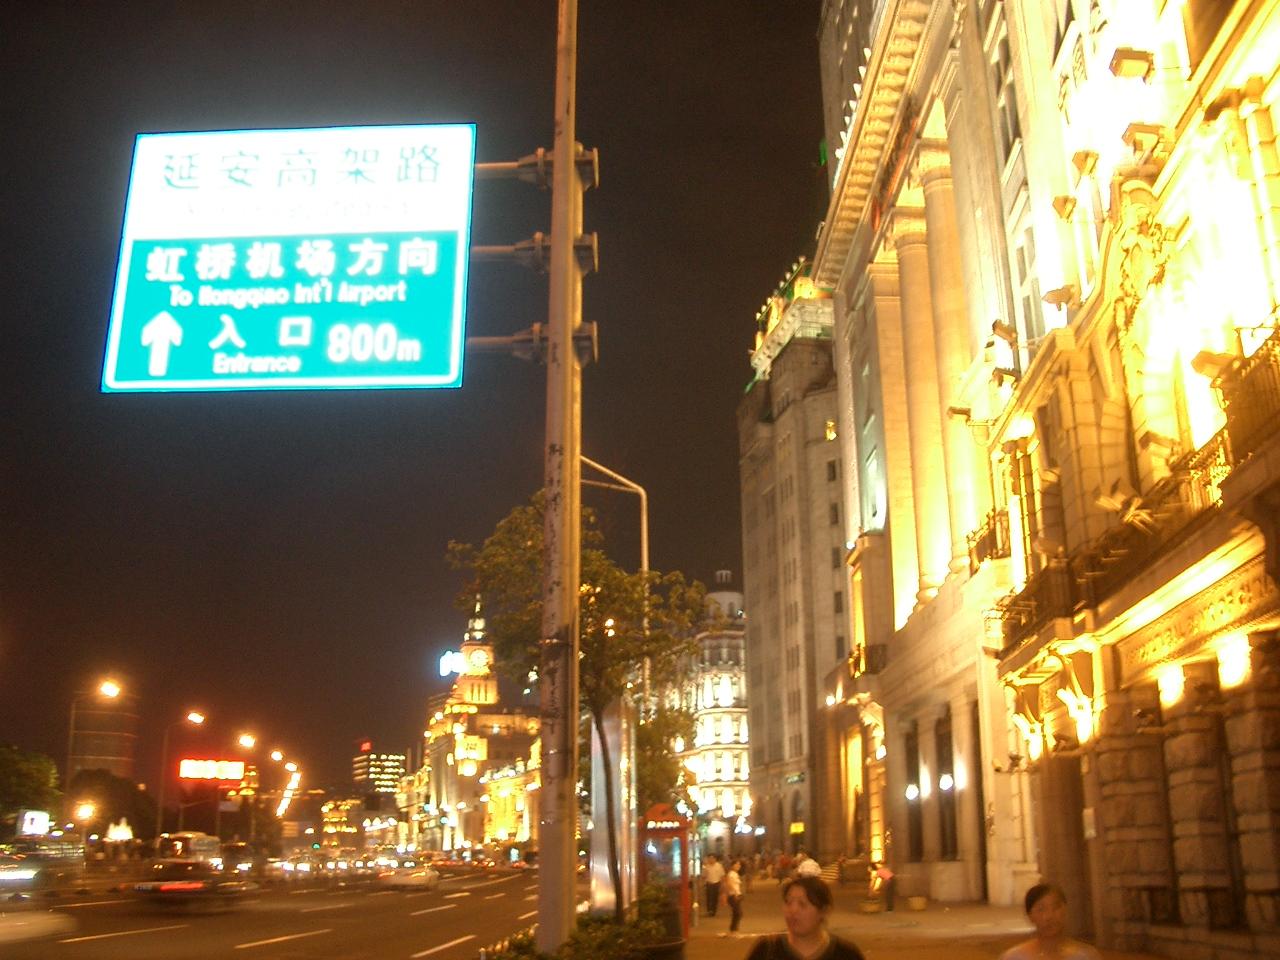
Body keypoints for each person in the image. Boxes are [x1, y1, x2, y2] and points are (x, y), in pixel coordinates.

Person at [744, 876, 865, 960]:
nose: (793, 910)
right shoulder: (767, 950)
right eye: (788, 902)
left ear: (824, 911)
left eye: (802, 904)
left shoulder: (846, 954)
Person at [999, 883, 1101, 960]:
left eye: (1056, 907)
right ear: (1030, 916)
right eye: (1041, 909)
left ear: (1065, 910)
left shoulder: (1086, 956)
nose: (1049, 916)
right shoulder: (1015, 957)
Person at [726, 859, 745, 933]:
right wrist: (736, 893)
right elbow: (729, 884)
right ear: (732, 865)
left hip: (736, 894)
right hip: (733, 895)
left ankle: (734, 929)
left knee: (736, 913)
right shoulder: (731, 874)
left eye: (739, 864)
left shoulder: (735, 874)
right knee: (738, 913)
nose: (738, 866)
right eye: (736, 864)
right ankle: (734, 929)